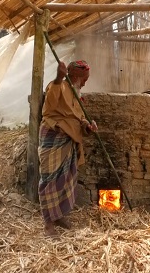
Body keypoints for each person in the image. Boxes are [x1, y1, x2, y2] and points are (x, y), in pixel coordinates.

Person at [38, 60, 98, 237]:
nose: (86, 82)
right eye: (85, 79)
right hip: (54, 137)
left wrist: (88, 127)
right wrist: (58, 77)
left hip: (70, 140)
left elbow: (79, 119)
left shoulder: (76, 94)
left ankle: (58, 216)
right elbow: (48, 106)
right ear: (76, 77)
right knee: (49, 179)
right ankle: (48, 223)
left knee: (65, 179)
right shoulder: (57, 85)